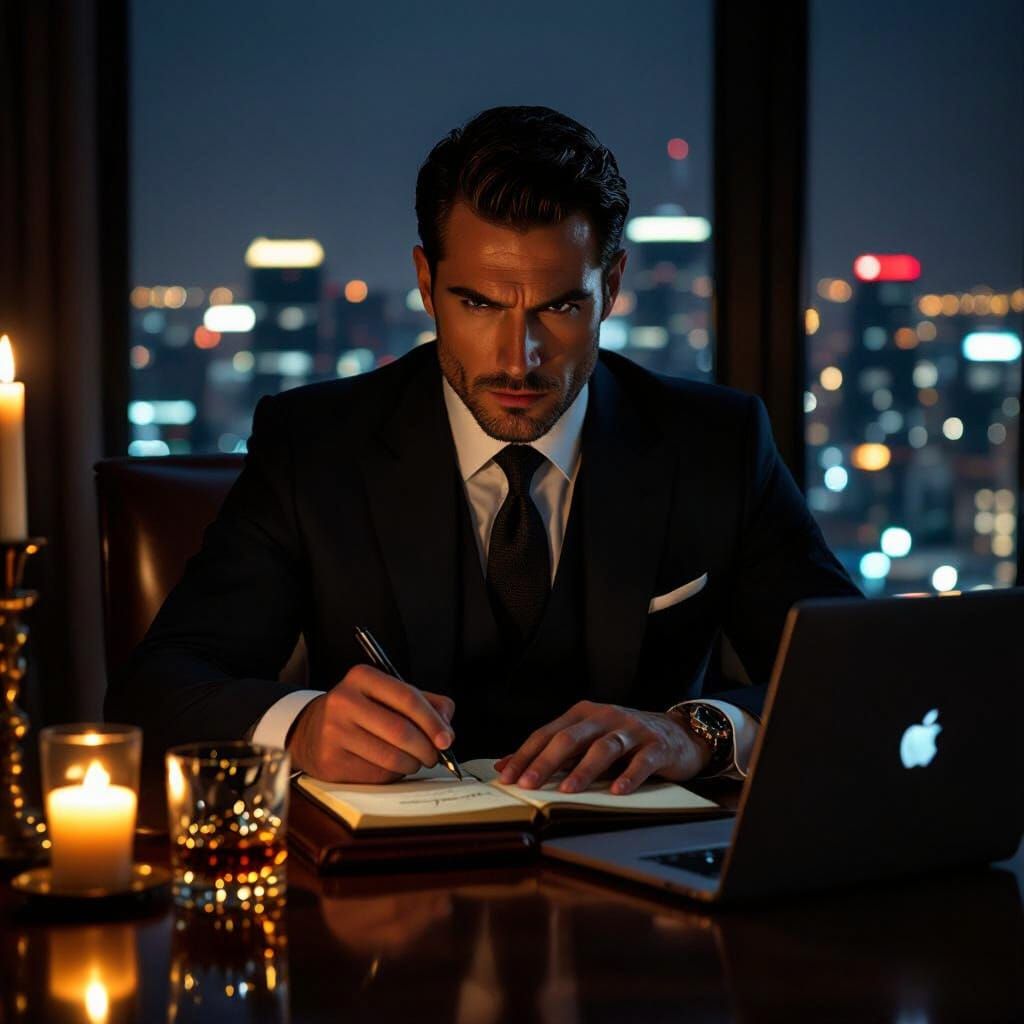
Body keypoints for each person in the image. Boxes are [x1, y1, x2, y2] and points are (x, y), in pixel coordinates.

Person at [107, 105, 863, 797]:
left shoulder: (716, 442)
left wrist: (695, 731)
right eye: (480, 303)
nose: (519, 358)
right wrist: (300, 727)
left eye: (560, 306)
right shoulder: (315, 446)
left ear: (615, 286)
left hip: (649, 889)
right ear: (426, 283)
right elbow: (157, 687)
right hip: (386, 900)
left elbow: (858, 669)